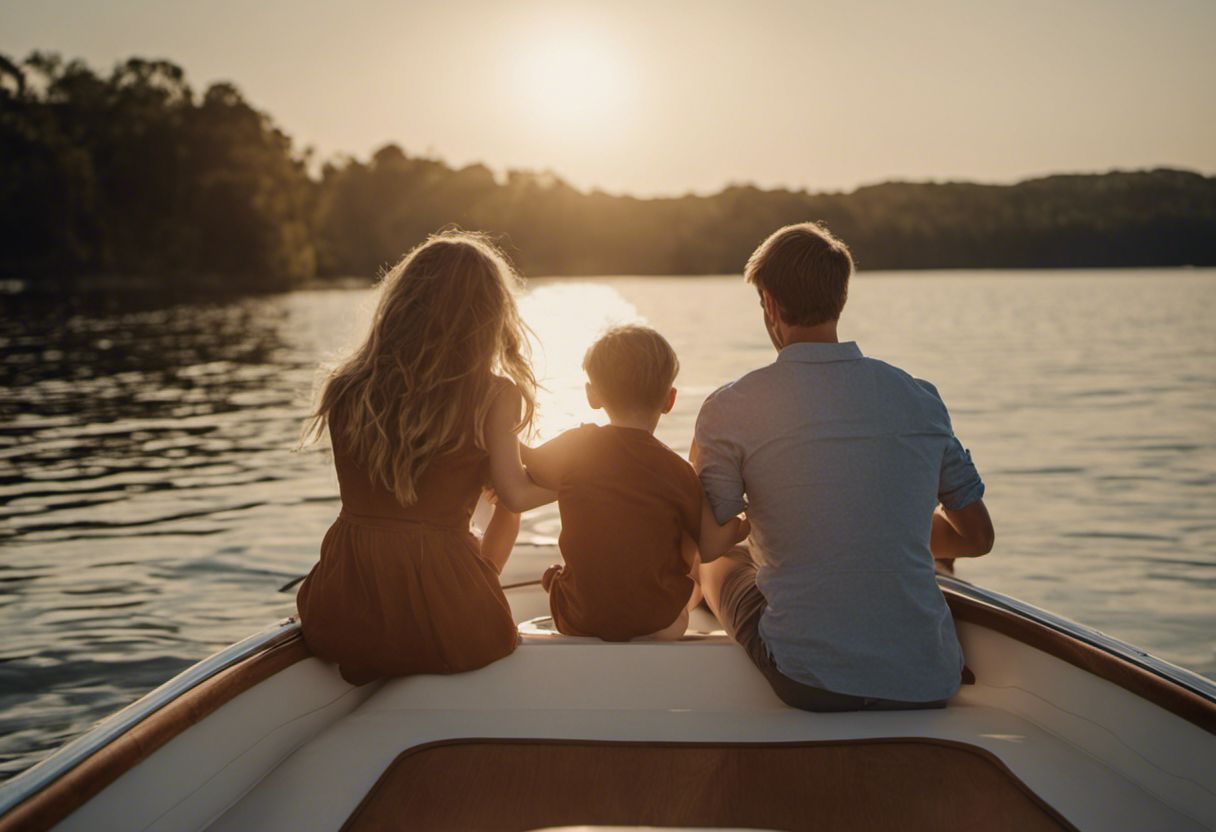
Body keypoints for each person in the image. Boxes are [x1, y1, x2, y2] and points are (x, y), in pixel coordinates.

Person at [694, 222, 995, 711]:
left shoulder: (730, 407)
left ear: (769, 303)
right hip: (927, 676)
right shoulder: (918, 396)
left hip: (810, 679)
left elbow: (711, 534)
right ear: (841, 298)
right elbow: (978, 537)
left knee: (721, 562)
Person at [296, 231, 554, 685]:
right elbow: (514, 492)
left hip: (343, 608)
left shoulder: (345, 386)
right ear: (489, 317)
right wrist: (578, 481)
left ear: (401, 305)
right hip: (449, 618)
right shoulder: (492, 394)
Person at [523, 325, 749, 641]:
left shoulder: (577, 447)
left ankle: (558, 581)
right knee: (689, 550)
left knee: (569, 576)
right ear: (670, 400)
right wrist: (741, 524)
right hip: (657, 624)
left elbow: (529, 462)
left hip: (578, 618)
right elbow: (710, 547)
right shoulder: (678, 470)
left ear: (592, 395)